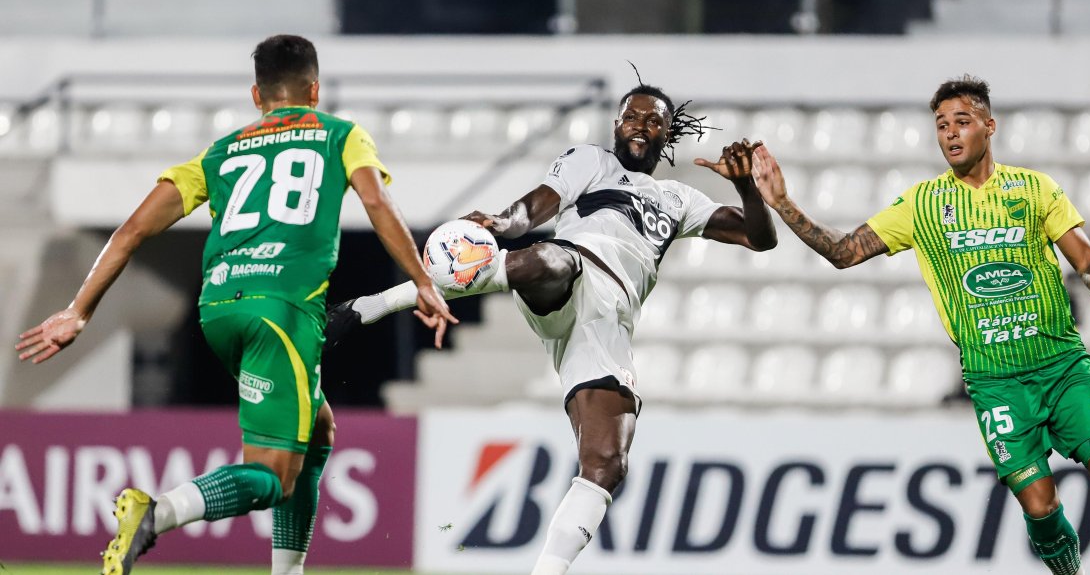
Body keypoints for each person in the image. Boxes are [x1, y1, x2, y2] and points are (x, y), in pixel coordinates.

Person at [14, 34, 456, 574]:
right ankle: (159, 511)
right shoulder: (342, 135)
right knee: (272, 475)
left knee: (316, 429)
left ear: (256, 95)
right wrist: (422, 281)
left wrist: (78, 310)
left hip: (218, 309)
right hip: (282, 311)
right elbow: (375, 201)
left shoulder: (220, 152)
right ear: (314, 89)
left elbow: (130, 230)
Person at [326, 81, 778, 574]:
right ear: (616, 123)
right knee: (550, 261)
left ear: (668, 134)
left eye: (654, 121)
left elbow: (761, 238)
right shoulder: (591, 162)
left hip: (608, 323)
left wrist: (746, 187)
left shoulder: (678, 198)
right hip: (573, 270)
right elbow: (534, 208)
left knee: (608, 462)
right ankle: (367, 307)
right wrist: (501, 222)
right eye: (632, 117)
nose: (641, 127)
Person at [750, 75, 1090, 575]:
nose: (951, 134)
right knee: (1040, 506)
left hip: (1063, 364)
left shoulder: (1032, 189)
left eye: (962, 122)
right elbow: (843, 252)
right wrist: (783, 203)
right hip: (995, 381)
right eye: (942, 126)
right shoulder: (921, 205)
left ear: (989, 126)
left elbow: (1084, 254)